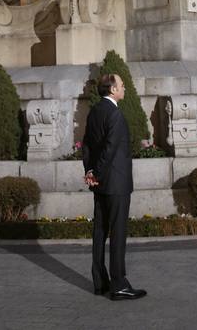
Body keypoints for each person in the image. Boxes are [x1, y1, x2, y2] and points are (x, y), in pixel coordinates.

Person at [82, 73, 146, 300]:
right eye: (121, 85)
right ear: (112, 90)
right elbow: (109, 150)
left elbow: (87, 145)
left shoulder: (95, 111)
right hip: (116, 183)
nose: (124, 87)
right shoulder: (115, 114)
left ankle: (100, 282)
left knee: (99, 231)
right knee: (117, 233)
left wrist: (90, 172)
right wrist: (96, 172)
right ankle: (119, 284)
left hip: (99, 183)